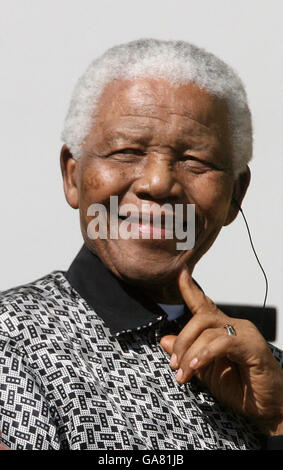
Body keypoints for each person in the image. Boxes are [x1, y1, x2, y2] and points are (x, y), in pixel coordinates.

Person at [0, 39, 282, 451]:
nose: (157, 184)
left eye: (194, 160)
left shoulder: (263, 369)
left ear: (235, 195)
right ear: (72, 176)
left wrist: (276, 419)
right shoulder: (14, 344)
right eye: (127, 151)